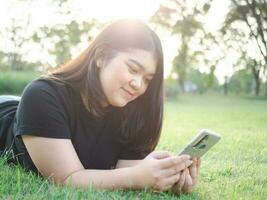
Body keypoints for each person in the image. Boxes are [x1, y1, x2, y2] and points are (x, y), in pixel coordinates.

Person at [0, 19, 201, 195]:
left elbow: (126, 170)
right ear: (101, 56)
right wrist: (137, 176)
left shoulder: (132, 110)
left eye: (148, 79)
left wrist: (165, 178)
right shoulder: (42, 95)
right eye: (133, 69)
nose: (138, 85)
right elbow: (66, 179)